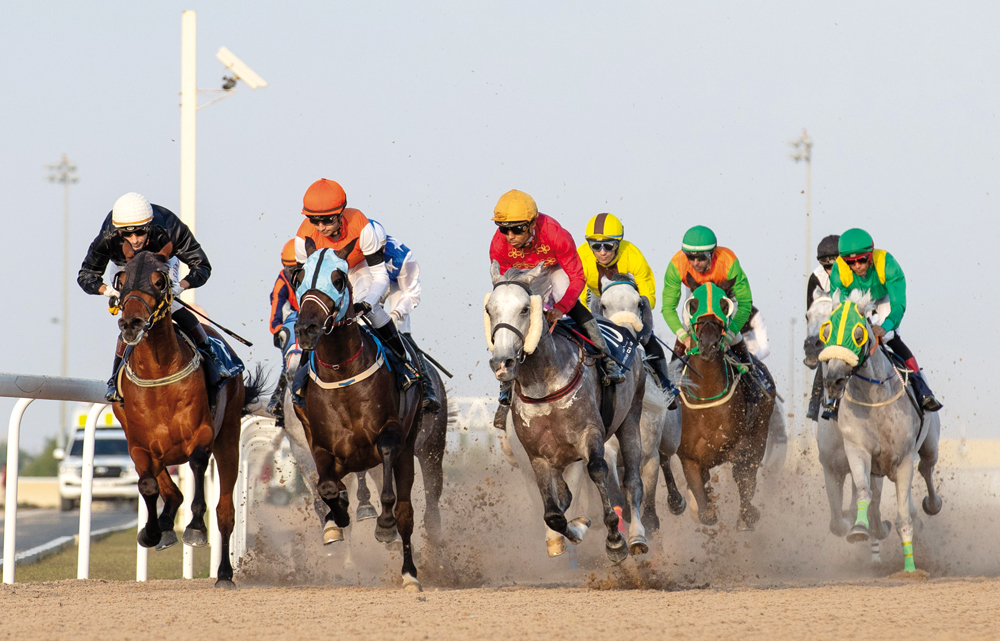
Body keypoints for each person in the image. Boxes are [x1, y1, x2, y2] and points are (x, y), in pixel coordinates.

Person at [291, 179, 439, 412]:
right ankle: (302, 376)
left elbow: (380, 276)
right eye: (314, 220)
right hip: (329, 277)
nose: (320, 227)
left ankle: (408, 369)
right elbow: (305, 280)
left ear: (341, 213)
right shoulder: (303, 236)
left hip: (360, 268)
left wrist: (368, 304)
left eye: (327, 220)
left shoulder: (362, 227)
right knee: (312, 320)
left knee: (373, 312)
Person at [489, 190, 625, 430]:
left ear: (532, 223)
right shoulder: (498, 245)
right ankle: (505, 389)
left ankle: (606, 359)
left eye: (517, 229)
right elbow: (505, 288)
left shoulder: (555, 234)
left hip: (556, 270)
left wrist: (561, 308)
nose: (510, 236)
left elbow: (578, 277)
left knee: (569, 301)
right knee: (508, 316)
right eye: (504, 229)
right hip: (523, 278)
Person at [78, 192, 228, 403]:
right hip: (125, 265)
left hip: (161, 262)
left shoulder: (170, 227)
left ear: (149, 225)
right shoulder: (108, 236)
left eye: (140, 232)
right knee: (131, 315)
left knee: (172, 306)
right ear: (118, 231)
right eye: (127, 234)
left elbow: (202, 265)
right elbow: (86, 275)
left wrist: (181, 287)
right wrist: (108, 290)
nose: (134, 240)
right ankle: (115, 378)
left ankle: (212, 357)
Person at [829, 228, 941, 412]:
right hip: (857, 302)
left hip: (884, 299)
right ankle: (831, 397)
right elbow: (842, 310)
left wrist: (885, 326)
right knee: (843, 340)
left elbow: (898, 306)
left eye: (861, 260)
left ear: (870, 254)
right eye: (851, 262)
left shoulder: (887, 263)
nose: (857, 266)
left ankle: (922, 389)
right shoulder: (838, 269)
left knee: (889, 338)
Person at [577, 213, 676, 404]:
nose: (602, 252)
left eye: (609, 246)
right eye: (596, 246)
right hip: (599, 296)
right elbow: (578, 295)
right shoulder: (581, 256)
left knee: (649, 340)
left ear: (618, 243)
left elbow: (647, 295)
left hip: (629, 298)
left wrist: (642, 324)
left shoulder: (632, 254)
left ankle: (666, 386)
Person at [661, 225, 773, 393]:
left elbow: (745, 304)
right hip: (696, 299)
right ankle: (669, 386)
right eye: (690, 257)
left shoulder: (728, 262)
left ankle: (753, 382)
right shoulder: (676, 264)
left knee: (735, 339)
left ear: (712, 254)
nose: (695, 263)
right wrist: (684, 337)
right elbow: (668, 308)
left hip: (723, 299)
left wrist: (729, 336)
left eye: (700, 258)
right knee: (684, 333)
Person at [266, 240, 302, 426]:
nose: (293, 274)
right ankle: (278, 404)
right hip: (294, 321)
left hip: (316, 319)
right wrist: (278, 330)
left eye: (297, 269)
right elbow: (275, 314)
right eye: (289, 269)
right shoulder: (282, 282)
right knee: (289, 361)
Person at [806, 234, 840, 420]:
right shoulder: (816, 278)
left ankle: (918, 387)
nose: (830, 271)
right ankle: (815, 399)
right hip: (828, 325)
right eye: (826, 267)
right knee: (826, 354)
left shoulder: (855, 272)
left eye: (834, 266)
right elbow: (811, 313)